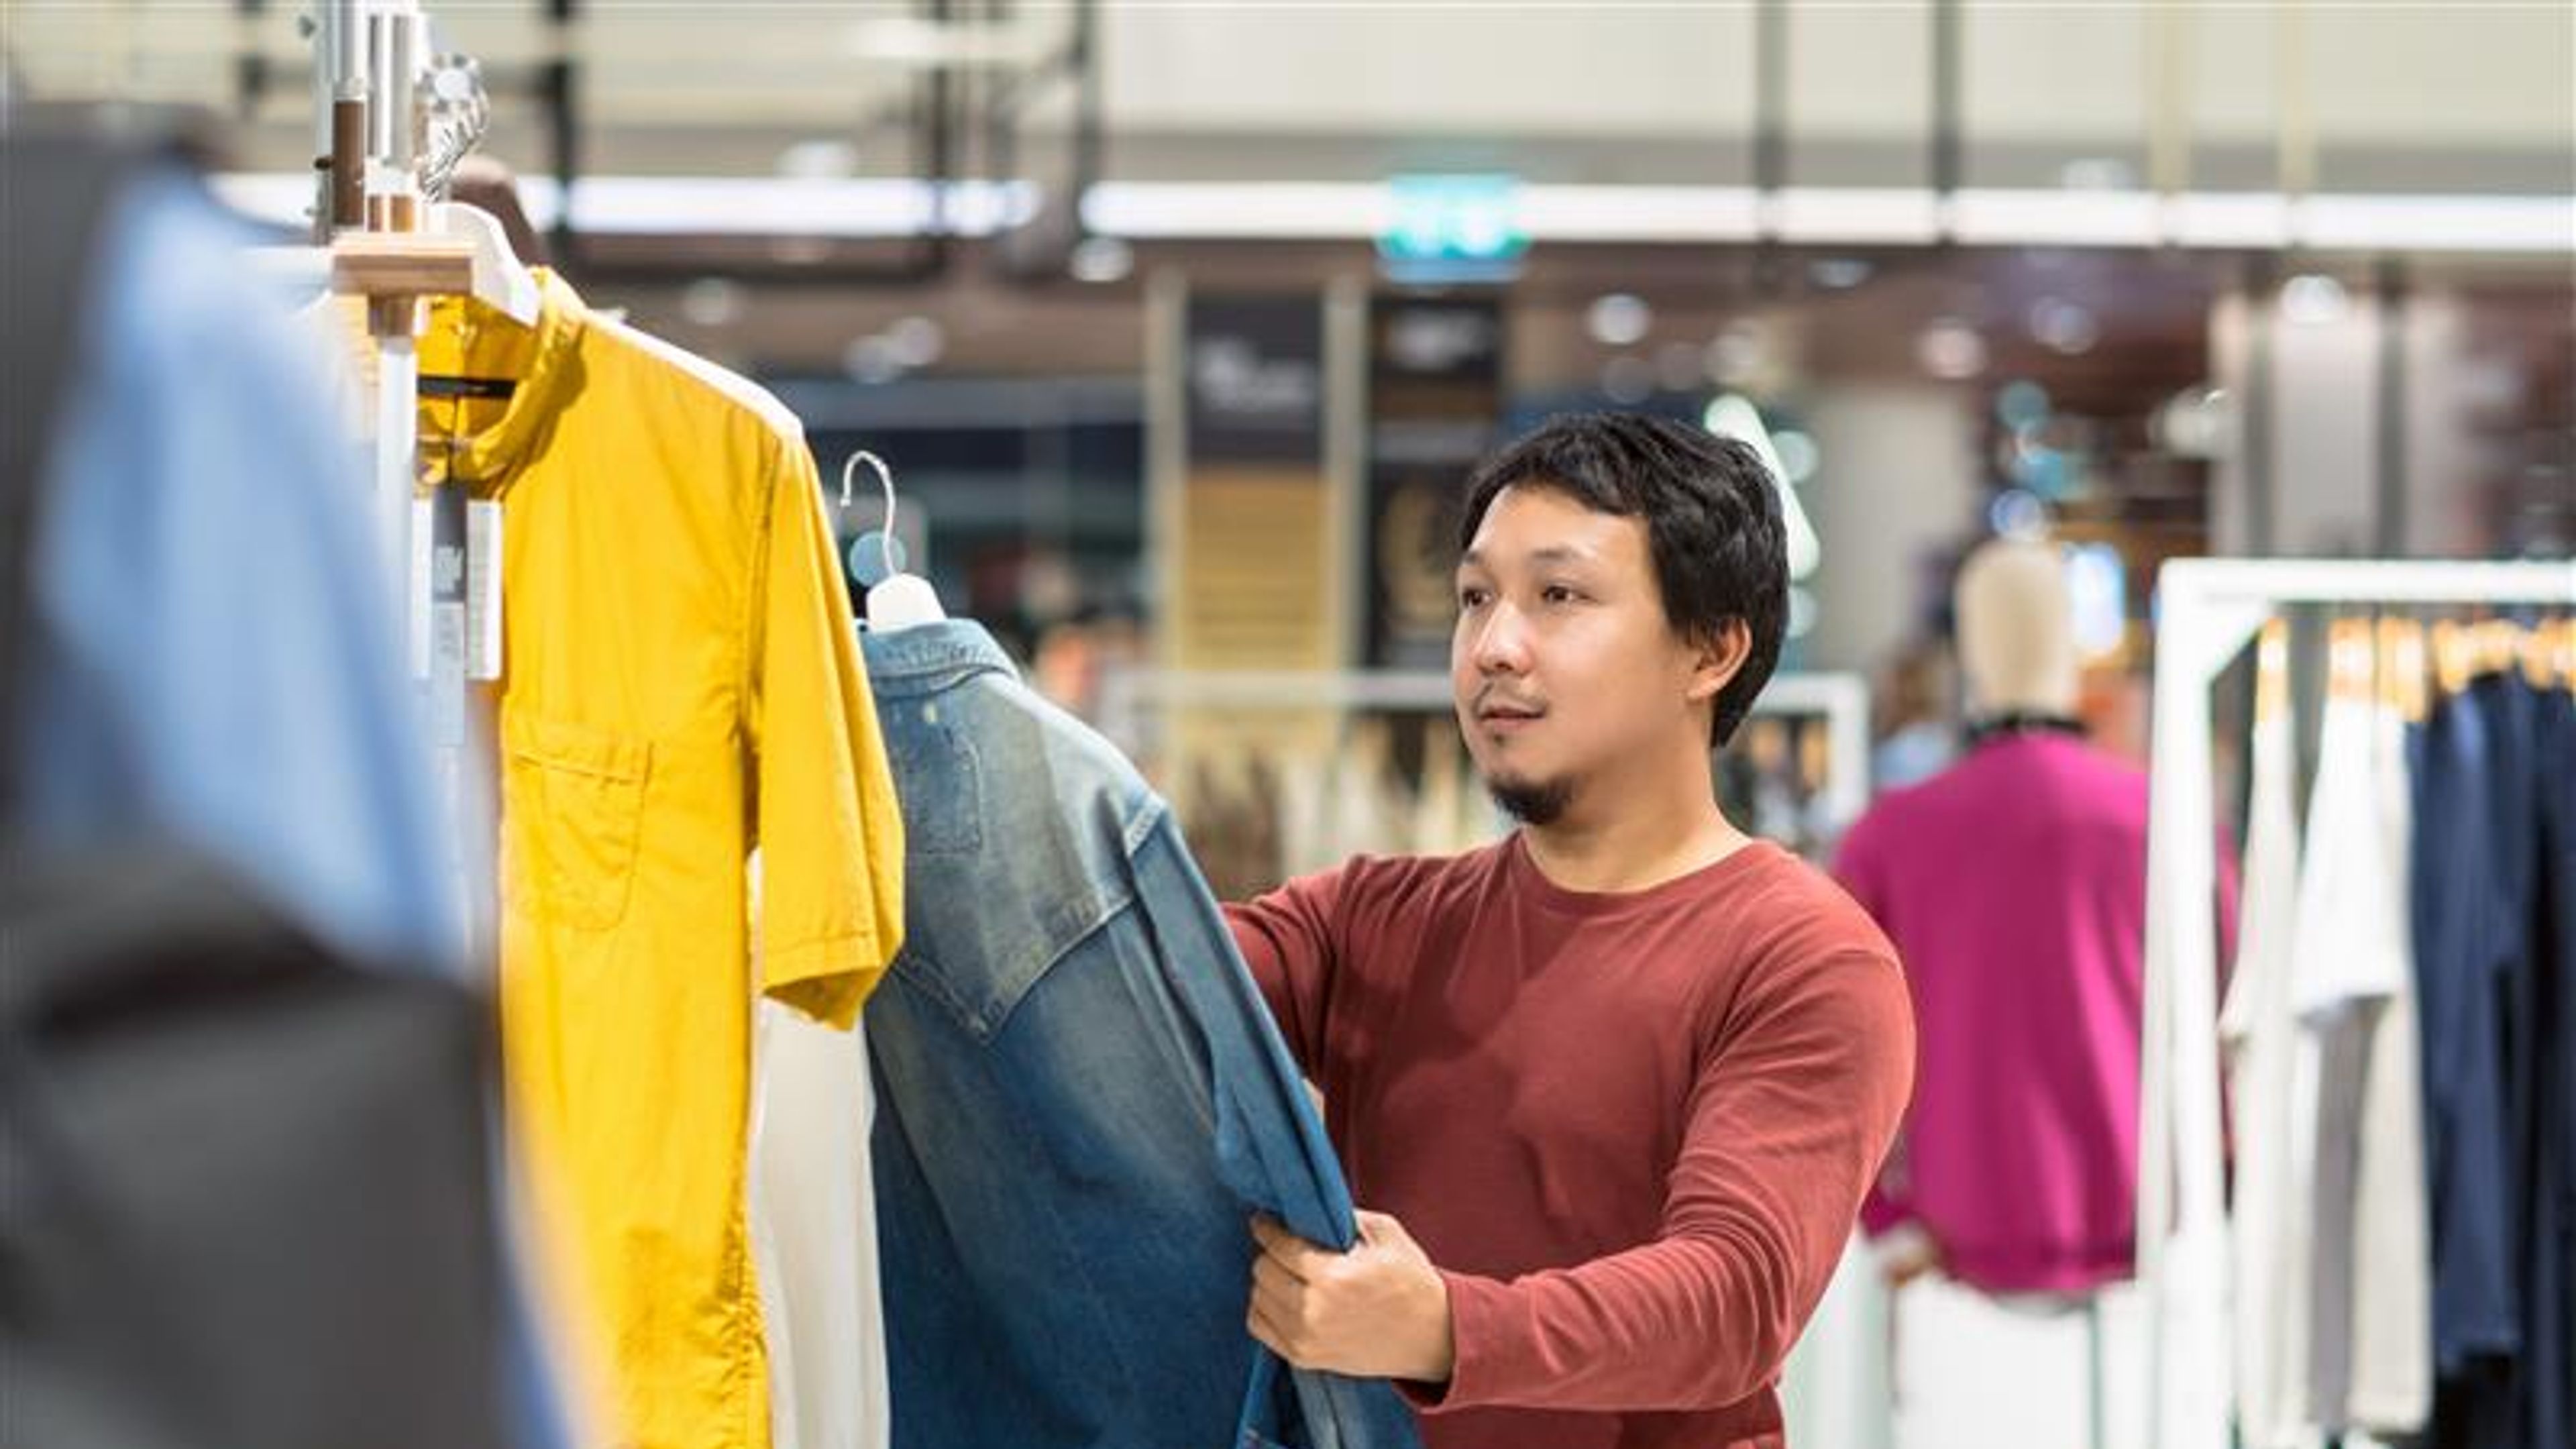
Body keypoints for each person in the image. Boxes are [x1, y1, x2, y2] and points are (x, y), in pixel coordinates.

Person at [1226, 411, 1917, 1449]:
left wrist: (1446, 1328)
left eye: (1559, 596)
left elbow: (1733, 1296)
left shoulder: (1804, 959)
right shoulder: (1369, 921)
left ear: (1712, 648)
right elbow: (1145, 990)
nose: (1495, 646)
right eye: (1475, 598)